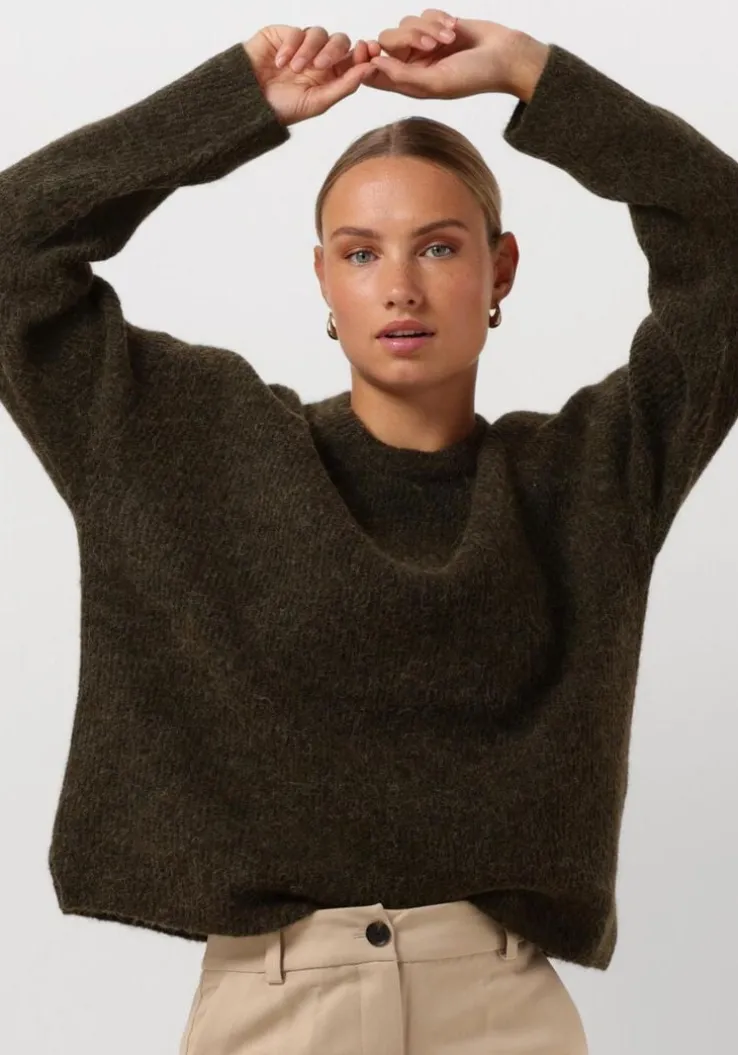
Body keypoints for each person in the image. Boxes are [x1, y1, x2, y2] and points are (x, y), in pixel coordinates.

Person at [2, 8, 737, 1054]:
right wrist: (231, 102)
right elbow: (12, 254)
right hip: (279, 1008)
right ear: (324, 280)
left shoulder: (585, 479)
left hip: (502, 1012)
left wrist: (534, 75)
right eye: (360, 252)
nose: (399, 286)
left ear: (501, 270)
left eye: (438, 246)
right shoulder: (194, 447)